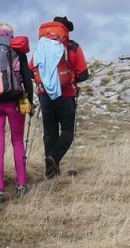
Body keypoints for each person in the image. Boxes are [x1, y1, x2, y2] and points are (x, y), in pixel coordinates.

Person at [30, 15, 88, 178]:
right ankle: (53, 158)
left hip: (44, 95)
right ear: (65, 31)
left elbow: (31, 70)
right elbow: (83, 74)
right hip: (66, 94)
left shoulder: (41, 47)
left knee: (50, 132)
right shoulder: (73, 47)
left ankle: (51, 173)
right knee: (68, 130)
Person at [0, 21, 34, 202]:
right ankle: (21, 184)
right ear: (10, 34)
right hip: (15, 101)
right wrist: (30, 101)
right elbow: (27, 77)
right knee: (18, 142)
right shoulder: (17, 47)